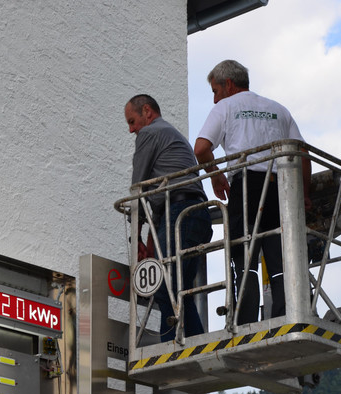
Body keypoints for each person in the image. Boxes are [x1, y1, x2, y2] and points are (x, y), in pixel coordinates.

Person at [194, 60, 311, 324]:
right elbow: (303, 154)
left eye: (215, 91)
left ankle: (246, 322)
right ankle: (286, 316)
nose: (214, 99)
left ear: (228, 84)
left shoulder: (226, 107)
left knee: (244, 259)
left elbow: (201, 149)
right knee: (280, 258)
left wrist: (216, 176)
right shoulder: (278, 109)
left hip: (246, 187)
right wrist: (303, 195)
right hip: (281, 188)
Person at [125, 94, 212, 340]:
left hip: (179, 212)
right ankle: (193, 346)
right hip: (194, 214)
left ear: (147, 111)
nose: (131, 130)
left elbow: (138, 187)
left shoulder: (149, 133)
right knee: (179, 290)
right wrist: (151, 240)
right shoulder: (171, 135)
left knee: (166, 288)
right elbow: (160, 196)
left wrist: (136, 236)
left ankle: (178, 349)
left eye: (132, 122)